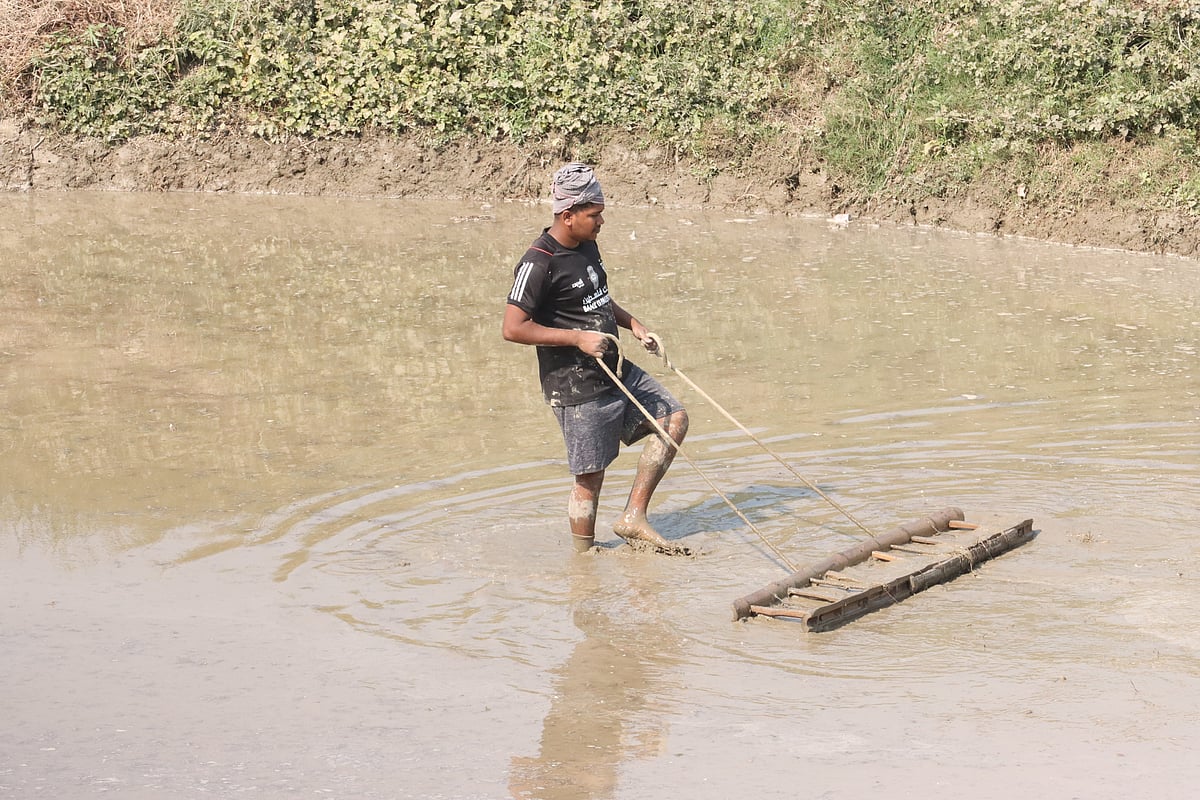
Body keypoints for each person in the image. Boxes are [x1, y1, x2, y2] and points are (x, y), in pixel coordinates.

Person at [502, 162, 689, 554]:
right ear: (568, 216)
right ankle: (584, 560)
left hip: (614, 367)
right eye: (594, 214)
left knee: (673, 419)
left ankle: (632, 517)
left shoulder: (586, 246)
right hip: (575, 383)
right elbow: (513, 327)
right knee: (590, 476)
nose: (601, 220)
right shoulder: (538, 263)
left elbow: (598, 299)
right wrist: (577, 339)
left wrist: (635, 325)